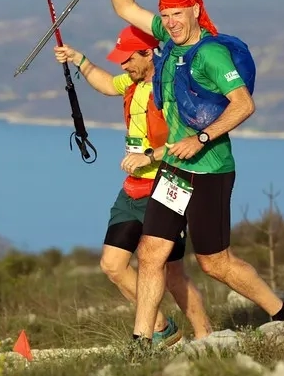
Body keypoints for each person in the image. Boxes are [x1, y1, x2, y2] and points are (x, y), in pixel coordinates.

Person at [101, 0, 284, 348]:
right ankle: (142, 342)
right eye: (166, 15)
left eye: (178, 14)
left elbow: (243, 104)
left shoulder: (212, 54)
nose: (171, 21)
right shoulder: (167, 39)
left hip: (210, 171)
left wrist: (201, 138)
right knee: (151, 253)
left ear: (196, 11)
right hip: (174, 171)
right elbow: (124, 7)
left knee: (216, 263)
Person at [53, 24, 213, 347]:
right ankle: (162, 327)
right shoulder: (133, 81)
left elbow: (188, 138)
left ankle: (206, 337)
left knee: (173, 274)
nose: (123, 65)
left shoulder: (170, 88)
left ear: (148, 53)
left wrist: (148, 156)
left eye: (128, 59)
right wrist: (78, 59)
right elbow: (107, 84)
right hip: (133, 188)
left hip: (166, 186)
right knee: (112, 265)